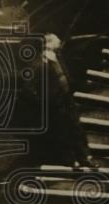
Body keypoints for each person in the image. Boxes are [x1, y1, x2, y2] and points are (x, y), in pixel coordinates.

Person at [36, 33, 94, 169]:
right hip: (56, 103)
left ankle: (85, 157)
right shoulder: (41, 62)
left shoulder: (58, 56)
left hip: (67, 98)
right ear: (49, 44)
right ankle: (71, 161)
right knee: (63, 132)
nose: (60, 41)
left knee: (77, 128)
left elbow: (65, 75)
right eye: (57, 40)